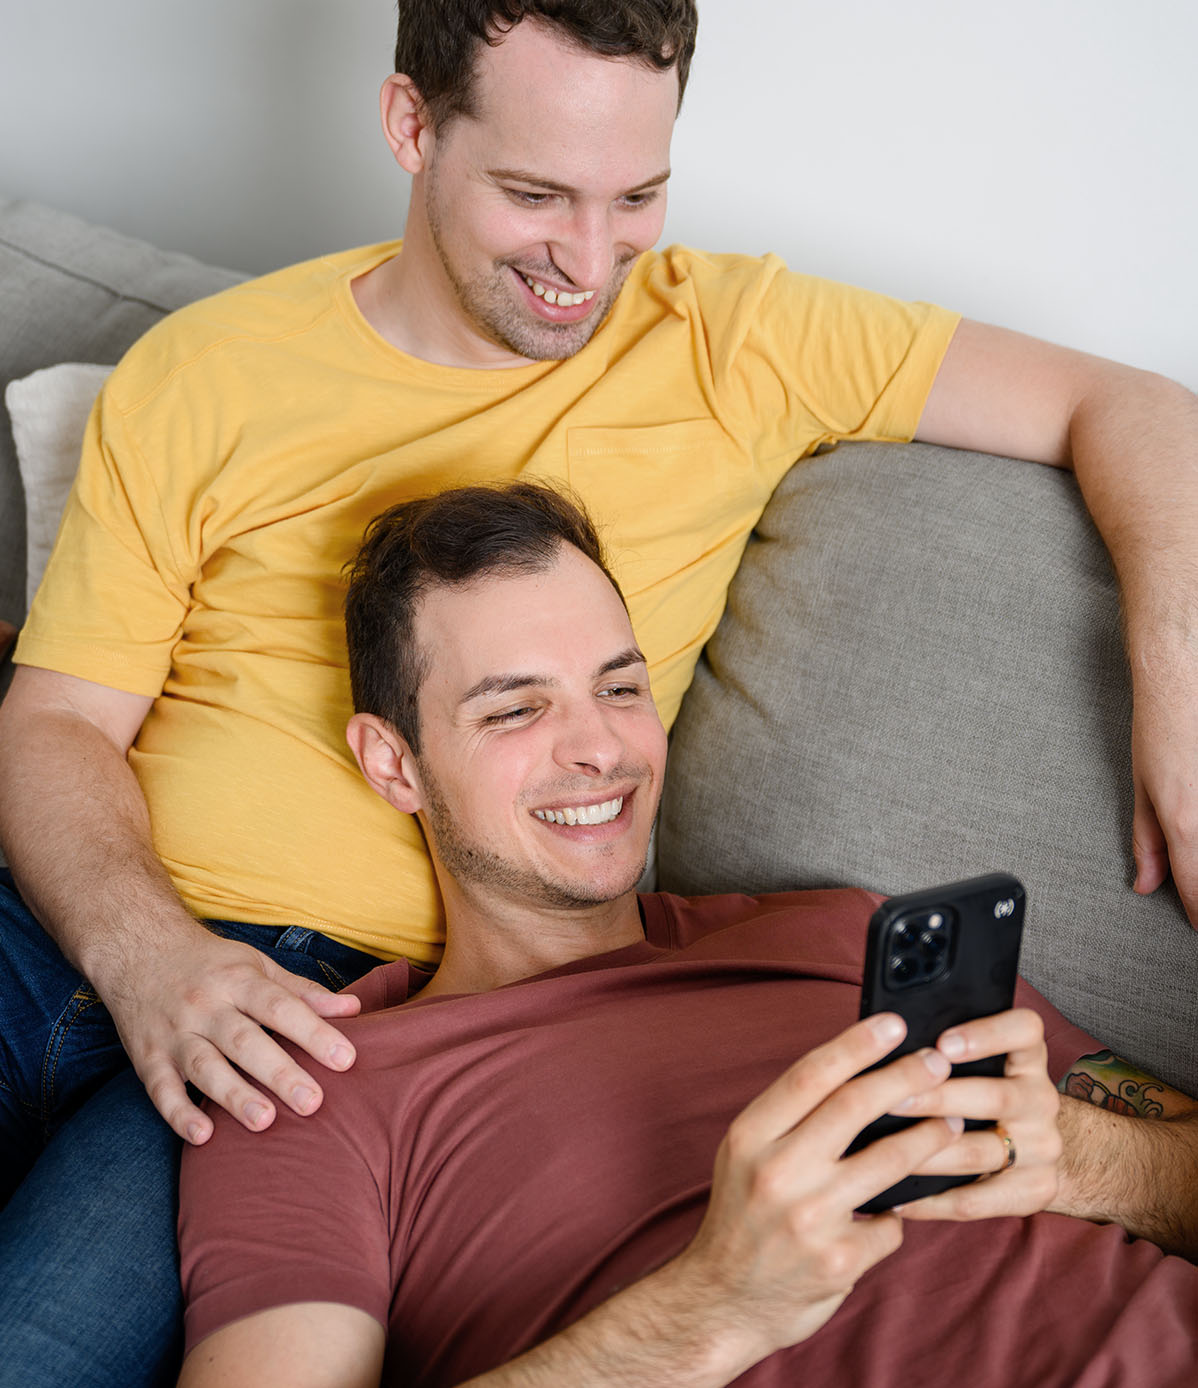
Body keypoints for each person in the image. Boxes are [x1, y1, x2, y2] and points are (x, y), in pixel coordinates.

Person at [0, 0, 1194, 1388]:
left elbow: (1135, 407)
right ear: (409, 126)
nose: (588, 258)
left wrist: (1173, 678)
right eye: (536, 195)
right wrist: (148, 955)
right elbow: (55, 722)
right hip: (82, 923)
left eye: (635, 197)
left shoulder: (732, 336)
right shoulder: (208, 371)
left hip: (322, 1033)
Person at [176, 482, 1198, 1388]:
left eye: (619, 688)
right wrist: (713, 1309)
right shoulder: (315, 1089)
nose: (599, 749)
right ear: (394, 765)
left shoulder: (842, 934)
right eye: (516, 710)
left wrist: (1081, 1160)